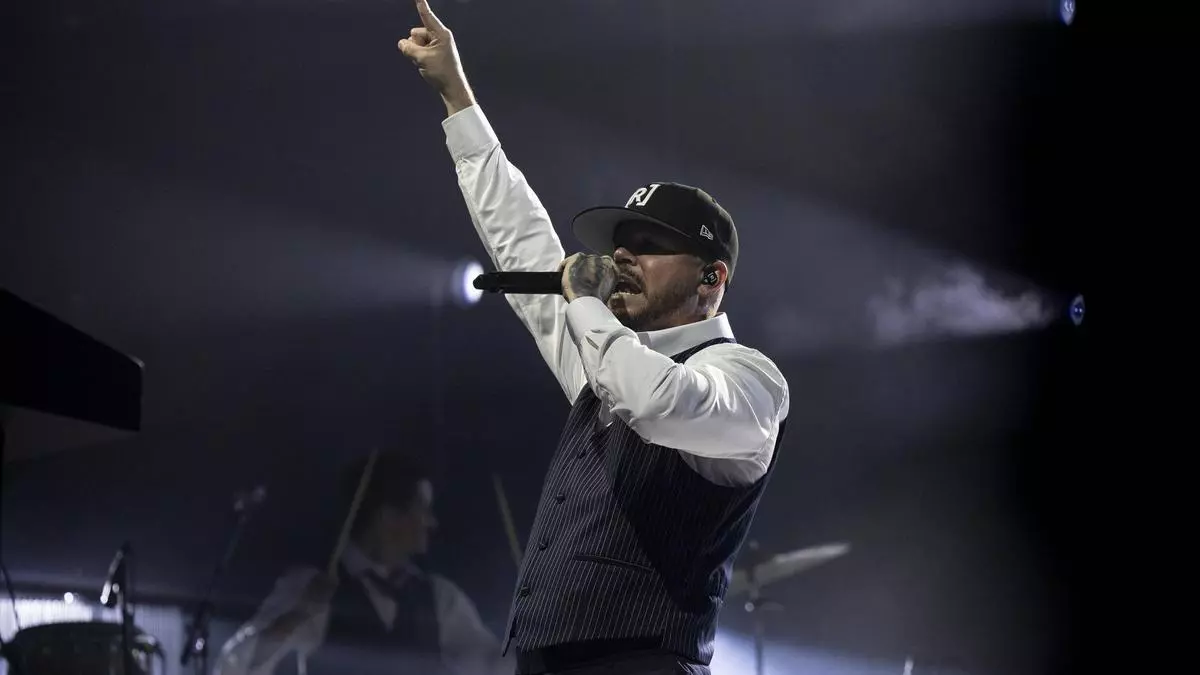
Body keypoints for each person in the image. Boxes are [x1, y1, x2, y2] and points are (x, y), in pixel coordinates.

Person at [396, 3, 791, 674]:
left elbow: (659, 401)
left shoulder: (749, 379)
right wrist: (457, 97)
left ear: (712, 277)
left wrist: (585, 301)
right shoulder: (605, 357)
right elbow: (523, 238)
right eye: (621, 244)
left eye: (651, 244)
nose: (624, 256)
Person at [214, 451, 509, 675]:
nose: (432, 523)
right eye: (423, 510)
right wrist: (294, 616)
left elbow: (491, 664)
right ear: (388, 517)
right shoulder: (311, 587)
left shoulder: (441, 597)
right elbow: (232, 667)